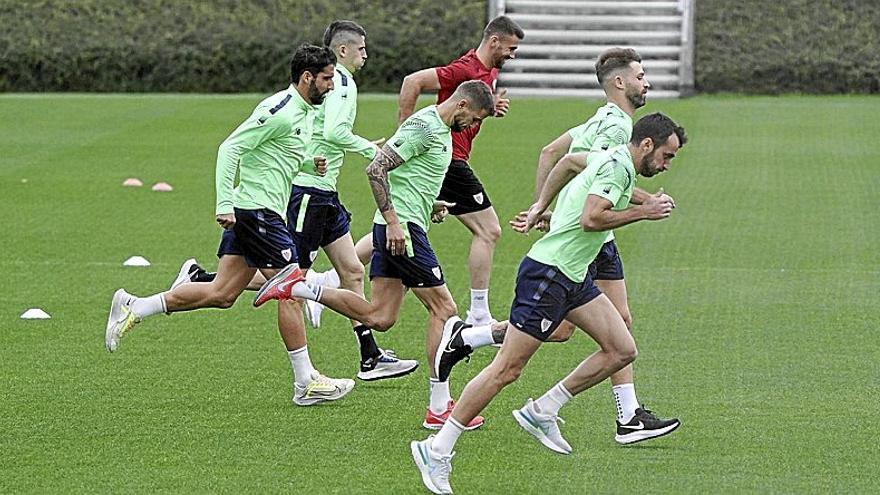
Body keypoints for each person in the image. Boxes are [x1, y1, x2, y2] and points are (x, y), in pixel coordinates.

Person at [411, 113, 687, 495]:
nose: (667, 165)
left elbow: (568, 161)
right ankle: (436, 449)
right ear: (646, 145)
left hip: (572, 277)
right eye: (666, 156)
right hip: (549, 276)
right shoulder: (618, 169)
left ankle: (544, 409)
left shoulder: (610, 159)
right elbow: (592, 219)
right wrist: (644, 211)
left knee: (622, 348)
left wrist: (542, 206)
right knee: (506, 369)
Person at [435, 47, 680, 445]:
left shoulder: (601, 117)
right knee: (533, 355)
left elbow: (556, 155)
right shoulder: (620, 130)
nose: (645, 81)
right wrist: (645, 206)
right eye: (640, 75)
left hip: (581, 236)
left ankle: (472, 341)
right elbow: (604, 181)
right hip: (585, 239)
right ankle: (626, 414)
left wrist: (544, 207)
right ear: (620, 82)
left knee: (586, 332)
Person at [104, 44, 356, 407]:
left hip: (261, 211)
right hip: (257, 212)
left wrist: (306, 163)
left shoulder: (304, 112)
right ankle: (306, 382)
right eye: (327, 78)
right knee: (290, 288)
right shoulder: (280, 111)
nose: (332, 86)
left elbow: (275, 154)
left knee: (222, 293)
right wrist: (224, 203)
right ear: (307, 78)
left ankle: (135, 307)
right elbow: (231, 148)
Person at [172, 21, 418, 382]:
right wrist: (372, 151)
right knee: (291, 281)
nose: (366, 55)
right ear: (343, 51)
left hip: (324, 189)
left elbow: (311, 133)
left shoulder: (336, 85)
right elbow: (333, 132)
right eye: (362, 49)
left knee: (350, 270)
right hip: (308, 192)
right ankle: (306, 377)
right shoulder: (343, 85)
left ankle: (369, 356)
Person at [252, 80, 496, 430]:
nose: (473, 126)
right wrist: (396, 222)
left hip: (403, 226)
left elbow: (409, 178)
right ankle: (439, 406)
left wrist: (432, 204)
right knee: (444, 309)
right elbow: (376, 168)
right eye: (474, 118)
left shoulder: (440, 131)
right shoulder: (424, 127)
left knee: (380, 318)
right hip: (402, 233)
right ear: (461, 105)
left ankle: (301, 287)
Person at [306, 15, 524, 328]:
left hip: (442, 159)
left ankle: (326, 281)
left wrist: (490, 110)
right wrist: (404, 134)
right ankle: (478, 312)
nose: (512, 54)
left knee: (382, 317)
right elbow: (413, 82)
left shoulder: (486, 74)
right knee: (488, 231)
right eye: (511, 48)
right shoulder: (465, 69)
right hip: (445, 160)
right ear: (494, 41)